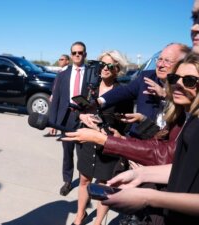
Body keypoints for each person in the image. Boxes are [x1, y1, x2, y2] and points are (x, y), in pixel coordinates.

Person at [100, 52, 199, 224]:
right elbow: (182, 168)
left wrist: (149, 197)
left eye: (189, 80)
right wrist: (141, 174)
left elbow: (167, 152)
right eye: (175, 78)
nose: (179, 85)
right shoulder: (190, 117)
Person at [70, 50, 133, 225]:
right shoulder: (91, 87)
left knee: (103, 185)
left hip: (108, 144)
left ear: (117, 69)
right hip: (88, 141)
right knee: (84, 180)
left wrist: (116, 133)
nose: (105, 68)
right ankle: (79, 216)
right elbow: (77, 110)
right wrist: (82, 117)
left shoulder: (123, 92)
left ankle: (98, 221)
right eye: (102, 64)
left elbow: (127, 123)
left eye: (110, 65)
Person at [85, 43, 190, 139]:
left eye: (167, 61)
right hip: (138, 142)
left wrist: (166, 95)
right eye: (159, 59)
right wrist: (99, 101)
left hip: (166, 148)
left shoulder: (188, 85)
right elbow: (124, 91)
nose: (160, 65)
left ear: (182, 64)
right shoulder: (146, 77)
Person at [49, 41, 96, 196]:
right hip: (67, 117)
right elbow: (56, 99)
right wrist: (53, 122)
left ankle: (84, 182)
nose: (77, 55)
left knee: (83, 153)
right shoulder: (62, 75)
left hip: (84, 118)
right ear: (71, 55)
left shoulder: (92, 73)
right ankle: (67, 181)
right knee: (67, 152)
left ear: (85, 55)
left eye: (80, 53)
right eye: (74, 53)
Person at [44, 54, 70, 137]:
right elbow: (56, 84)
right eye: (59, 59)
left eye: (62, 59)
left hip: (63, 97)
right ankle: (52, 130)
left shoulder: (69, 71)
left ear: (67, 61)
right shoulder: (60, 71)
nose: (60, 61)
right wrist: (52, 94)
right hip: (56, 95)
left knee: (61, 114)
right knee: (53, 113)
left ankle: (63, 133)